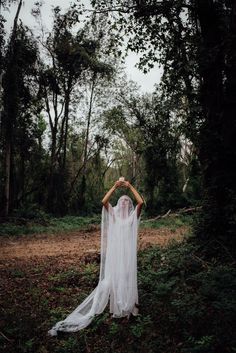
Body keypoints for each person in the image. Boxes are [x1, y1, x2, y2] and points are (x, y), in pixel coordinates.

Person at [48, 178, 144, 336]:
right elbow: (104, 201)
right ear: (119, 205)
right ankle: (117, 309)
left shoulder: (133, 217)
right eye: (122, 201)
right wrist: (115, 186)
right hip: (116, 254)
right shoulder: (114, 216)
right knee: (114, 280)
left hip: (127, 255)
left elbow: (140, 202)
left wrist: (130, 187)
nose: (125, 203)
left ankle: (128, 309)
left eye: (127, 201)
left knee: (127, 279)